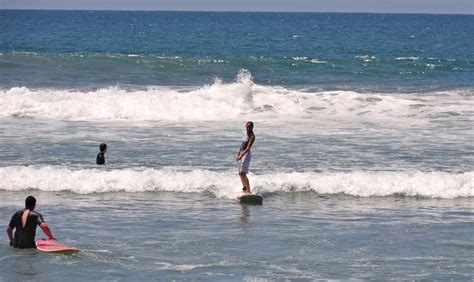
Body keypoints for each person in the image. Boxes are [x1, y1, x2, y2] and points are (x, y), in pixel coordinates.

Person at [236, 121, 255, 194]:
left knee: (243, 173)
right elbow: (241, 145)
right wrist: (238, 154)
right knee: (240, 173)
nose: (248, 128)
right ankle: (244, 189)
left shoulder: (252, 136)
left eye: (250, 127)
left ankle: (249, 191)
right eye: (247, 126)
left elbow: (248, 148)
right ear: (245, 126)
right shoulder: (245, 134)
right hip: (241, 153)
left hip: (246, 155)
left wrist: (241, 155)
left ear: (252, 128)